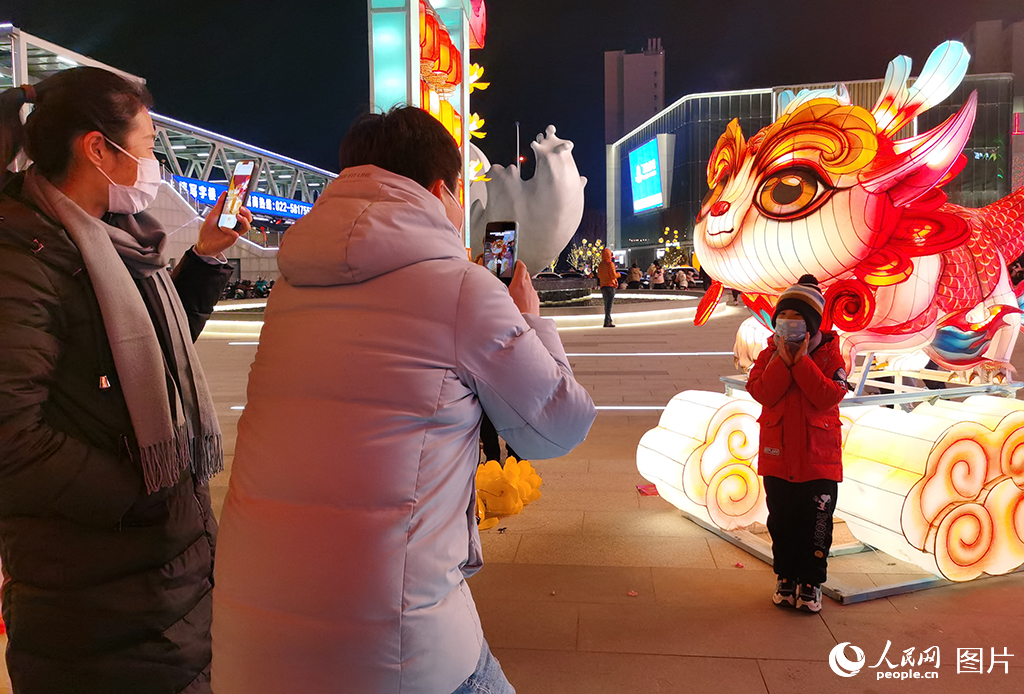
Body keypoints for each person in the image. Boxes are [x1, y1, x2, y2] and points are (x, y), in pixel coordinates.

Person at [212, 106, 597, 694]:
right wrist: (529, 321)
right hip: (395, 653)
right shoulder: (463, 288)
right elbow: (558, 427)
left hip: (250, 642)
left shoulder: (290, 289)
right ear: (441, 191)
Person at [0, 68, 249, 694]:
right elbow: (10, 442)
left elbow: (145, 359)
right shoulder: (24, 261)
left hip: (162, 581)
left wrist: (206, 260)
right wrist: (140, 493)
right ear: (96, 149)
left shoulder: (119, 242)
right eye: (144, 147)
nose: (152, 163)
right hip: (93, 601)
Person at [746, 275, 847, 614]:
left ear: (812, 324)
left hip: (819, 463)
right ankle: (786, 578)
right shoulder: (766, 356)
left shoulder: (832, 356)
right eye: (782, 320)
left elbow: (827, 397)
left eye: (797, 321)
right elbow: (762, 392)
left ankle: (811, 583)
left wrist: (801, 361)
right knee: (782, 522)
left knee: (817, 527)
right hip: (778, 459)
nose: (788, 328)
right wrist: (781, 360)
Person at [597, 247, 619, 328]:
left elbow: (599, 275)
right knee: (609, 305)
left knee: (606, 304)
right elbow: (613, 275)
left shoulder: (600, 265)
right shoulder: (610, 264)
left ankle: (608, 320)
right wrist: (619, 275)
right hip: (610, 286)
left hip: (603, 286)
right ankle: (607, 321)